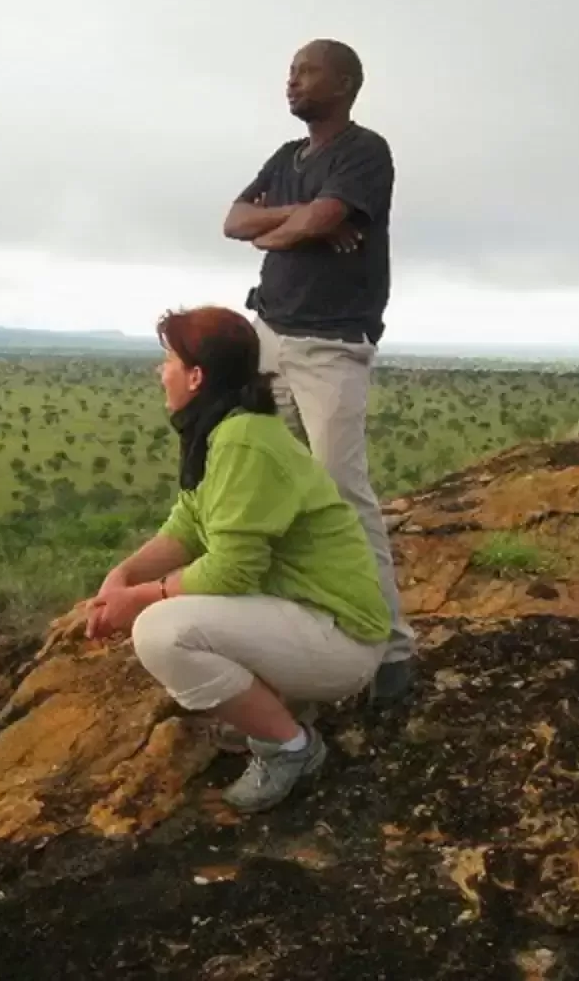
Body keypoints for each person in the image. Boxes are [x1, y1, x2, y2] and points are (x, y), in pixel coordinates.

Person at [85, 306, 392, 814]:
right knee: (166, 616)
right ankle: (277, 705)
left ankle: (290, 748)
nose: (160, 372)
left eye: (168, 360)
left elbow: (232, 569)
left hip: (340, 637)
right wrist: (121, 576)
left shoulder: (242, 441)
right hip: (305, 617)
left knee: (161, 631)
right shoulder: (223, 431)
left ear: (196, 375)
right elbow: (186, 524)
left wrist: (138, 600)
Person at [221, 38, 415, 703]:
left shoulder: (365, 151)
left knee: (340, 491)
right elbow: (233, 221)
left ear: (345, 83)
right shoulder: (285, 158)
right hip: (269, 336)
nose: (292, 81)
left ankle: (391, 649)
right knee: (264, 482)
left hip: (333, 346)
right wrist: (293, 222)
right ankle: (286, 626)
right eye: (290, 71)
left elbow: (325, 217)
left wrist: (299, 225)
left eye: (307, 71)